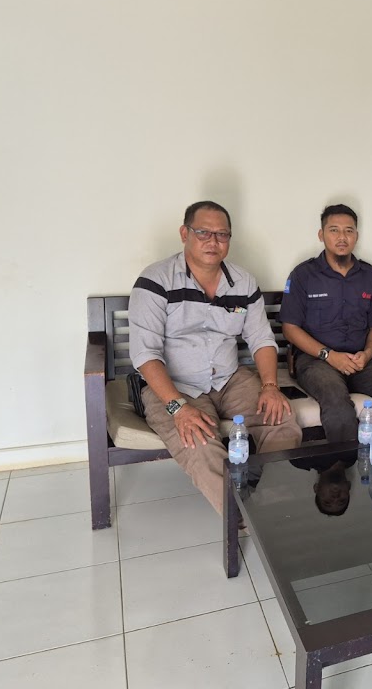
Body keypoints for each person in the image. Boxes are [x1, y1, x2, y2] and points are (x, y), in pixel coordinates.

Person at [128, 201, 303, 514]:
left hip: (229, 379)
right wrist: (177, 408)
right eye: (203, 233)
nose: (213, 241)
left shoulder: (243, 283)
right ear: (185, 234)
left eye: (222, 234)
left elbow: (261, 338)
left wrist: (270, 386)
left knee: (281, 419)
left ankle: (272, 510)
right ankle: (241, 519)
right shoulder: (155, 281)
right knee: (199, 441)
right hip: (174, 386)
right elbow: (145, 353)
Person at [279, 204, 372, 452]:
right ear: (321, 235)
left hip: (360, 359)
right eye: (334, 230)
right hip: (316, 359)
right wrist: (329, 356)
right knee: (336, 400)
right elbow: (290, 328)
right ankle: (345, 466)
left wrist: (368, 354)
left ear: (356, 236)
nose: (342, 237)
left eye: (348, 231)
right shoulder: (303, 275)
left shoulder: (369, 275)